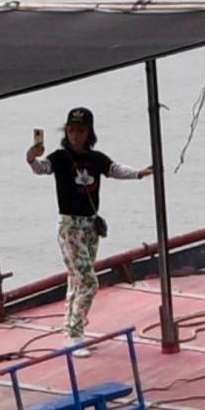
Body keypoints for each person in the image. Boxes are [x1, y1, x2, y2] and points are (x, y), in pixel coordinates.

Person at [25, 106, 142, 344]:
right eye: (71, 130)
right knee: (88, 281)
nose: (75, 135)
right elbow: (41, 168)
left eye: (80, 130)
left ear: (89, 133)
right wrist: (31, 157)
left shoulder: (95, 159)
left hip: (90, 225)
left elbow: (114, 170)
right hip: (70, 226)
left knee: (76, 278)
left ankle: (69, 328)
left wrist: (140, 173)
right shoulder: (59, 158)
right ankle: (75, 335)